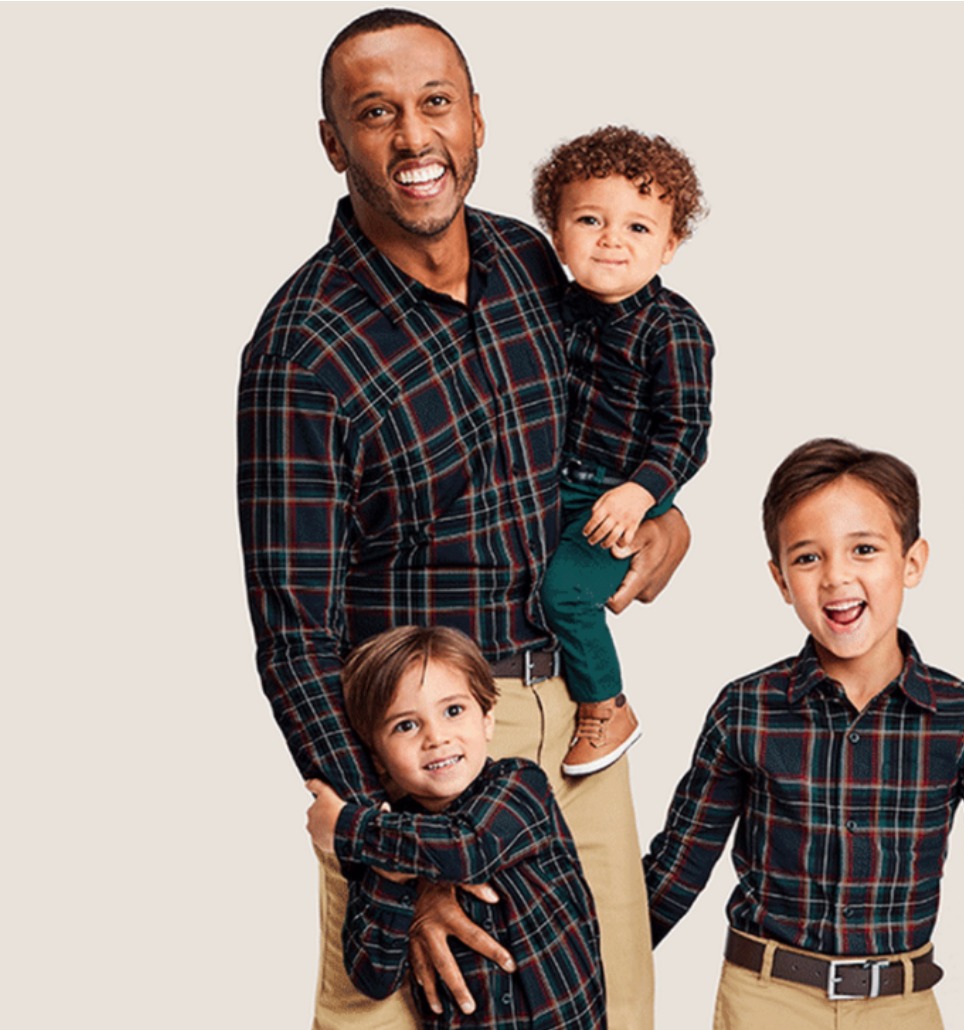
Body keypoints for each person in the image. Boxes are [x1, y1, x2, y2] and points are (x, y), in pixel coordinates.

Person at [237, 9, 685, 1028]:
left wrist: (665, 522)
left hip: (572, 723)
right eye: (376, 112)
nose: (413, 138)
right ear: (331, 142)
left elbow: (605, 449)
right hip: (423, 762)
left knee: (614, 1007)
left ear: (478, 119)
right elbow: (295, 639)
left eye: (435, 104)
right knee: (396, 1011)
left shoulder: (537, 266)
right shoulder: (302, 352)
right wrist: (398, 858)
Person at [642, 438, 964, 1029]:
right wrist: (583, 970)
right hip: (766, 1001)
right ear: (781, 579)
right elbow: (674, 872)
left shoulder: (963, 719)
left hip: (901, 1006)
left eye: (864, 549)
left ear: (911, 562)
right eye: (808, 558)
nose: (837, 577)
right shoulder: (747, 710)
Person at [305, 625, 606, 1028]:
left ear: (486, 720)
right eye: (406, 725)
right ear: (377, 756)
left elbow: (467, 849)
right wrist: (388, 878)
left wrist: (347, 829)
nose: (436, 737)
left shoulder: (519, 786)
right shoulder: (391, 842)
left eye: (453, 711)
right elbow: (373, 976)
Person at [532, 126, 714, 777]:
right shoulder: (548, 308)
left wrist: (642, 496)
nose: (612, 239)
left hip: (624, 489)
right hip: (555, 480)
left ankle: (607, 707)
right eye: (590, 220)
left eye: (639, 228)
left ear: (669, 244)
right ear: (556, 233)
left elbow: (686, 431)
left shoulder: (674, 330)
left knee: (566, 593)